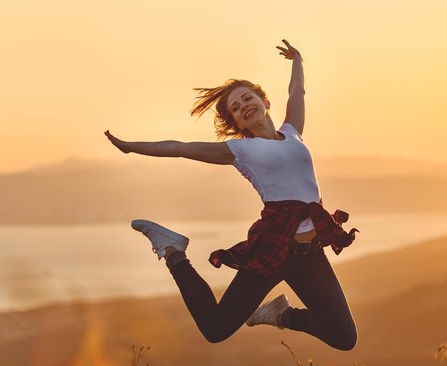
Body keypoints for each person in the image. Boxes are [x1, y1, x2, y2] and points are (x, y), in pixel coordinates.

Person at [104, 40, 357, 350]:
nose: (243, 107)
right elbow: (179, 148)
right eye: (236, 109)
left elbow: (297, 93)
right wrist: (131, 147)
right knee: (215, 328)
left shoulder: (292, 133)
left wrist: (298, 61)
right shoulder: (242, 150)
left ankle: (282, 315)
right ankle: (173, 251)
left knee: (344, 337)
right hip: (274, 250)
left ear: (264, 101)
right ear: (236, 123)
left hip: (311, 254)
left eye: (247, 98)